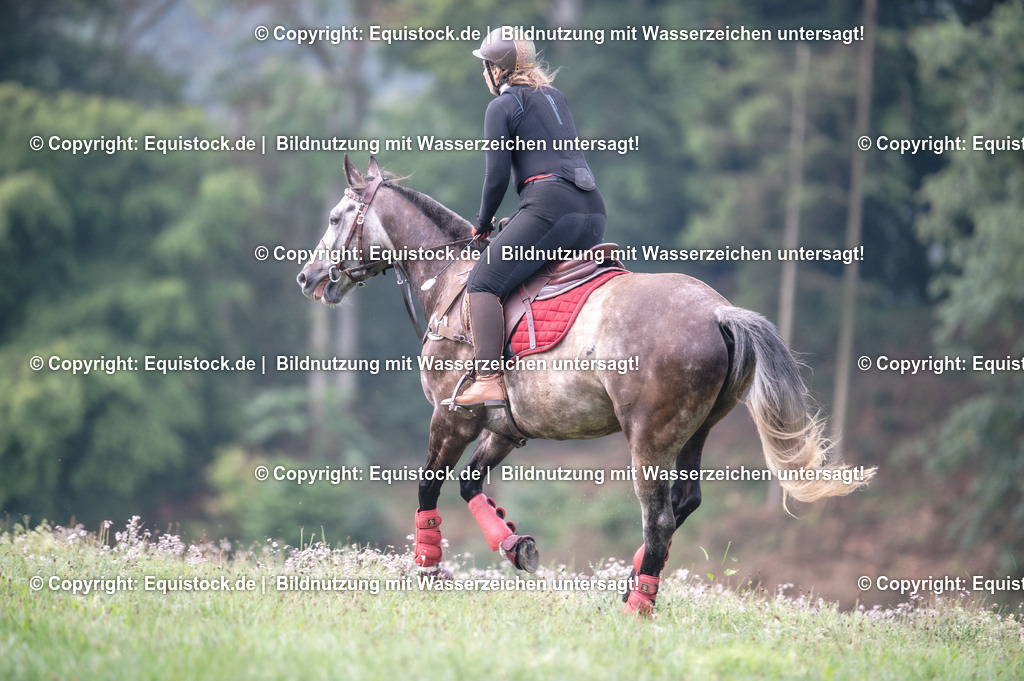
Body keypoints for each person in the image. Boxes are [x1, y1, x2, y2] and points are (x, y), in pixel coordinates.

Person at [443, 26, 607, 410]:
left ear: (496, 69)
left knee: (483, 283)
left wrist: (483, 223)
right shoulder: (555, 97)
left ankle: (488, 379)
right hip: (592, 212)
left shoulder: (501, 106)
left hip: (550, 209)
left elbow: (497, 177)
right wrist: (519, 218)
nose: (484, 73)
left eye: (485, 66)